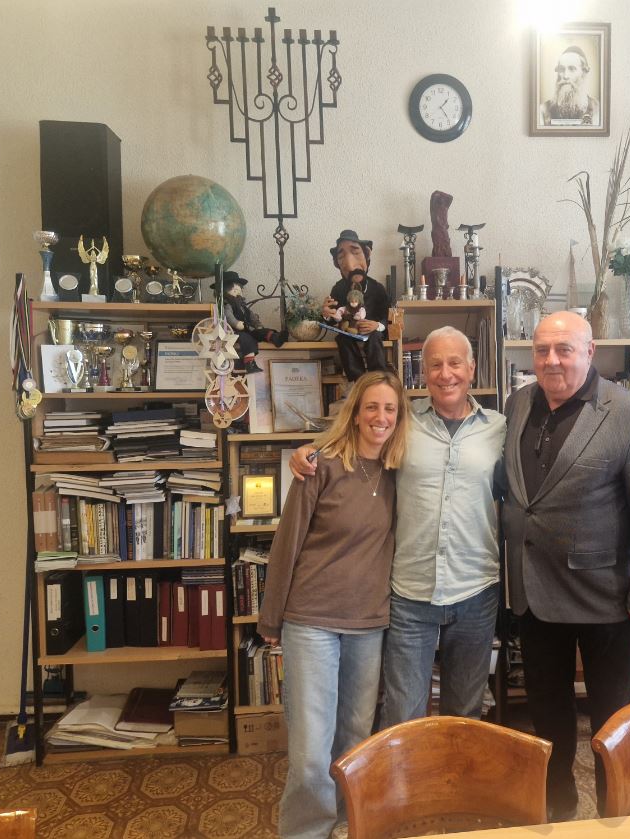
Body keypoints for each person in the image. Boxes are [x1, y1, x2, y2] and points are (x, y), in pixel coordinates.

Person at [501, 310, 630, 821]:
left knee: (611, 720)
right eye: (542, 350)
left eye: (564, 349)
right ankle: (559, 810)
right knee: (547, 714)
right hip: (534, 593)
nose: (551, 361)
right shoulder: (518, 403)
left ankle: (615, 814)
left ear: (590, 352)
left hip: (607, 600)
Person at [290, 325, 506, 726]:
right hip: (410, 591)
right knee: (402, 714)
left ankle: (455, 770)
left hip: (476, 589)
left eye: (455, 363)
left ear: (472, 368)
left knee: (465, 714)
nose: (446, 374)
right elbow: (356, 436)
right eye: (435, 365)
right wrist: (309, 451)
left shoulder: (499, 428)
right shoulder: (403, 422)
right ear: (423, 371)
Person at [257, 370, 410, 839]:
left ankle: (347, 824)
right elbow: (286, 543)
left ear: (399, 417)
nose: (380, 417)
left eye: (389, 409)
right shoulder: (319, 466)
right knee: (309, 751)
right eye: (371, 407)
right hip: (312, 621)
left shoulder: (402, 472)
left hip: (369, 623)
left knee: (354, 742)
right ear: (355, 413)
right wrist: (271, 617)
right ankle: (307, 832)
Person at [323, 229, 390, 381]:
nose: (350, 265)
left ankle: (378, 378)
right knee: (342, 339)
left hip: (371, 333)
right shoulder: (338, 289)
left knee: (375, 338)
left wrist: (377, 325)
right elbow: (333, 319)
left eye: (355, 252)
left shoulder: (377, 288)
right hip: (349, 331)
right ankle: (357, 380)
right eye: (341, 257)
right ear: (337, 263)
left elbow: (388, 316)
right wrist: (327, 315)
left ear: (367, 255)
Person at [211, 271, 287, 373]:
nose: (238, 293)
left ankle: (275, 338)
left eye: (239, 290)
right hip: (234, 332)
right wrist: (236, 323)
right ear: (224, 292)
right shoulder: (227, 305)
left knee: (261, 332)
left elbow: (252, 317)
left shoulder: (243, 306)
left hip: (248, 328)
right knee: (247, 339)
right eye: (234, 290)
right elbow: (228, 316)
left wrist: (258, 325)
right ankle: (250, 364)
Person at [539, 45, 600, 127]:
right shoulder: (543, 111)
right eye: (561, 69)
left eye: (572, 69)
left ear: (583, 73)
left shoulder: (597, 110)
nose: (565, 76)